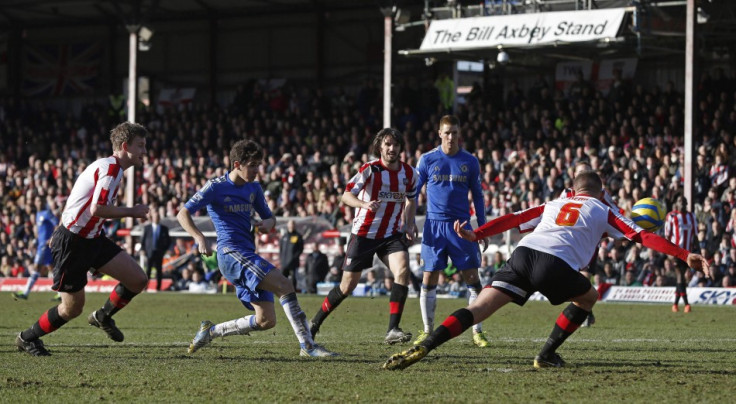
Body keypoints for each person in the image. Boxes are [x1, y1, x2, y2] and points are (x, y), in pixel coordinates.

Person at [383, 171, 710, 370]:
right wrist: (684, 254)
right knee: (588, 297)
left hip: (523, 254)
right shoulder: (604, 209)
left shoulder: (554, 204)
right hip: (554, 263)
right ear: (600, 191)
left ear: (573, 189)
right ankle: (546, 355)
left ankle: (426, 346)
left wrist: (477, 233)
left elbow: (513, 218)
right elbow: (643, 235)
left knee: (478, 308)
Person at [178, 139, 336, 357]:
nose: (256, 170)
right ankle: (308, 346)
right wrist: (199, 237)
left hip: (247, 253)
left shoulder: (254, 188)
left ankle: (211, 331)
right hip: (230, 253)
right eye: (252, 165)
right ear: (236, 165)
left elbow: (270, 219)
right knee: (284, 284)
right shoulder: (215, 187)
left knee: (266, 320)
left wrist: (266, 225)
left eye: (258, 165)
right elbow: (182, 213)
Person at [15, 122, 151, 356]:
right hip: (74, 243)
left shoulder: (108, 167)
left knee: (138, 280)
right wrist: (132, 211)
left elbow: (78, 200)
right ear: (125, 146)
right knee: (72, 308)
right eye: (140, 146)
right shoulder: (110, 169)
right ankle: (27, 338)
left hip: (93, 238)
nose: (144, 151)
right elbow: (97, 208)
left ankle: (103, 316)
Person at [309, 128, 417, 345]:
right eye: (387, 144)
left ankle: (393, 329)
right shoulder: (369, 170)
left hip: (391, 235)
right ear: (380, 147)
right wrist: (364, 204)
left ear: (400, 148)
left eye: (395, 145)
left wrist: (409, 223)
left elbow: (411, 199)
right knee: (347, 286)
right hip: (364, 234)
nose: (391, 148)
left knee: (403, 269)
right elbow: (346, 195)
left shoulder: (409, 173)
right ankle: (314, 323)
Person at [414, 115, 490, 348]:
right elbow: (414, 192)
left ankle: (477, 331)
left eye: (454, 132)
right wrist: (407, 221)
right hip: (434, 226)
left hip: (462, 227)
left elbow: (478, 196)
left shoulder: (470, 161)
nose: (451, 136)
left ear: (459, 134)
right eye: (447, 132)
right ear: (439, 133)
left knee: (472, 278)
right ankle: (427, 330)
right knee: (429, 276)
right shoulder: (427, 159)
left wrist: (483, 227)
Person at [558, 160, 623, 327]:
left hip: (589, 240)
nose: (584, 175)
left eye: (588, 172)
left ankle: (584, 312)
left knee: (585, 275)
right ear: (574, 176)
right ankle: (585, 310)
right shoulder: (566, 194)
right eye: (581, 172)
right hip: (568, 243)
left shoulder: (601, 193)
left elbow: (616, 211)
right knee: (570, 280)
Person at [13, 197, 59, 301]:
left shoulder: (47, 213)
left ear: (43, 202)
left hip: (45, 246)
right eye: (37, 201)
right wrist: (34, 242)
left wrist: (52, 238)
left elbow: (57, 224)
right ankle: (61, 295)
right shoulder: (38, 214)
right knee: (52, 269)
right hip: (41, 245)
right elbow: (41, 233)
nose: (38, 202)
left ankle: (25, 293)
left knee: (36, 267)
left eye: (40, 200)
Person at [664, 195, 698, 313]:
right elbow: (667, 237)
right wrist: (668, 253)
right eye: (680, 202)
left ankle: (675, 304)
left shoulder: (691, 216)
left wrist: (698, 251)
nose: (682, 204)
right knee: (680, 275)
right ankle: (687, 304)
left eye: (684, 202)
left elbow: (695, 236)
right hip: (675, 252)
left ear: (687, 203)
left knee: (682, 277)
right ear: (676, 204)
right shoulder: (671, 216)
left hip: (688, 253)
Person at [140, 207, 171, 291]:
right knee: (148, 270)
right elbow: (143, 240)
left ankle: (158, 287)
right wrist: (142, 249)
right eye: (155, 217)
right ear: (152, 218)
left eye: (157, 217)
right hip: (149, 252)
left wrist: (165, 250)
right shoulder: (147, 228)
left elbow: (168, 241)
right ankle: (145, 287)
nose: (156, 218)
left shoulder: (164, 229)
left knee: (159, 270)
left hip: (159, 252)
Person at [279, 219, 303, 290]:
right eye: (290, 224)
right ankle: (282, 291)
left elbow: (300, 249)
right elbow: (281, 249)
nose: (291, 226)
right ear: (288, 225)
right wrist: (281, 259)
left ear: (295, 226)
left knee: (293, 278)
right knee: (283, 278)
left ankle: (292, 292)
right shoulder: (284, 236)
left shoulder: (298, 236)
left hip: (293, 262)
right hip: (284, 262)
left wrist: (294, 258)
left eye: (293, 224)